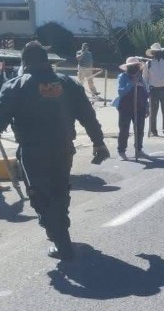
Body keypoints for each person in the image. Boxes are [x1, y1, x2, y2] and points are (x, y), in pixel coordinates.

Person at [0, 41, 109, 260]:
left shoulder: (14, 86)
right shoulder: (68, 84)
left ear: (24, 62)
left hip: (33, 152)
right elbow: (88, 115)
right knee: (59, 190)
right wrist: (99, 143)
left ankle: (61, 240)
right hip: (63, 149)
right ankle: (60, 233)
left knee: (39, 194)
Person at [114, 57, 150, 160]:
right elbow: (121, 92)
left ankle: (138, 150)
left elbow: (144, 93)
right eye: (133, 66)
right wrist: (131, 83)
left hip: (139, 107)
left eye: (137, 66)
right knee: (124, 130)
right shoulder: (123, 77)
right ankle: (121, 151)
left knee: (139, 130)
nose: (136, 68)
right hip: (125, 107)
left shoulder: (140, 78)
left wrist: (147, 106)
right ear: (129, 67)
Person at [142, 42, 164, 137]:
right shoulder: (148, 64)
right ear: (153, 53)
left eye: (159, 52)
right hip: (153, 91)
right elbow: (145, 79)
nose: (158, 54)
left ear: (161, 53)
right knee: (153, 112)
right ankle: (153, 130)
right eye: (155, 52)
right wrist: (146, 91)